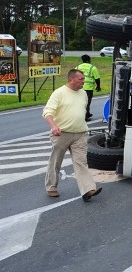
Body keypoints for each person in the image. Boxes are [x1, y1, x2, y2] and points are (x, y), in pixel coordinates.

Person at [43, 69, 102, 202]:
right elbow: (47, 112)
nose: (84, 81)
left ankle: (88, 189)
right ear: (71, 79)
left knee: (81, 162)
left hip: (80, 133)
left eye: (83, 79)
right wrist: (54, 126)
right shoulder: (59, 93)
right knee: (56, 161)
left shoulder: (83, 94)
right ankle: (51, 187)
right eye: (81, 79)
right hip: (61, 133)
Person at [76, 54, 101, 121]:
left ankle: (86, 113)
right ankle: (85, 116)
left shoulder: (77, 67)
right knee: (86, 102)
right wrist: (98, 86)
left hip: (78, 87)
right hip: (88, 88)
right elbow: (97, 78)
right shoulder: (92, 67)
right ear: (88, 60)